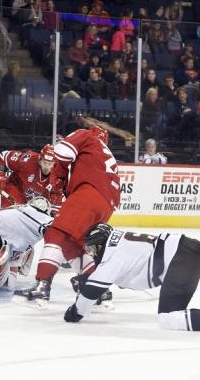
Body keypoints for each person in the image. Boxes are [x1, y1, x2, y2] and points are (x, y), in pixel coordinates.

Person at [63, 224, 200, 334]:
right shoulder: (120, 238)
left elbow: (86, 301)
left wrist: (74, 311)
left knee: (167, 319)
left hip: (178, 263)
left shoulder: (112, 258)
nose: (90, 252)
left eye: (91, 248)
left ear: (99, 244)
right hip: (188, 245)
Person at [13, 126, 120, 307]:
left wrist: (59, 177)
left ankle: (42, 286)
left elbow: (61, 153)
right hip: (106, 206)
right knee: (73, 244)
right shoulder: (107, 156)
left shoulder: (87, 136)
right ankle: (96, 290)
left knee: (55, 234)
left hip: (89, 194)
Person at [0, 144, 63, 210]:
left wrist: (53, 210)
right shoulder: (27, 160)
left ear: (55, 163)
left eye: (50, 164)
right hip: (16, 191)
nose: (47, 167)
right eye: (44, 163)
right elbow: (4, 156)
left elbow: (56, 201)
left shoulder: (59, 175)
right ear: (40, 159)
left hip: (35, 203)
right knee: (10, 217)